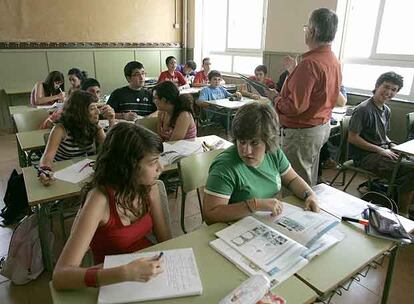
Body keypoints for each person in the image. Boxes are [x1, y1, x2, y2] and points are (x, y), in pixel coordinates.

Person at [52, 123, 172, 290]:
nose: (162, 167)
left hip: (148, 274)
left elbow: (166, 242)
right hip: (113, 281)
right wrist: (124, 273)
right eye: (153, 162)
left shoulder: (149, 187)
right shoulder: (99, 200)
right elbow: (60, 276)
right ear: (128, 166)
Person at [203, 103, 320, 224]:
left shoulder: (274, 153)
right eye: (242, 142)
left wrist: (309, 194)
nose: (246, 151)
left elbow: (292, 179)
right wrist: (254, 205)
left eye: (254, 143)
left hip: (264, 222)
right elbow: (210, 215)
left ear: (268, 141)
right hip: (233, 228)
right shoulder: (224, 167)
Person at [268, 8, 342, 186]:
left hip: (302, 132)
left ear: (313, 31)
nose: (305, 31)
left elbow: (294, 108)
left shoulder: (309, 63)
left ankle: (299, 213)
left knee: (295, 182)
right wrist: (295, 71)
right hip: (320, 127)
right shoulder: (333, 59)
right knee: (308, 174)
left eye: (306, 27)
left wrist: (275, 97)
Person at [348, 72, 414, 217]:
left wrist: (390, 143)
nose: (389, 92)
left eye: (393, 90)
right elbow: (352, 138)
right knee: (411, 172)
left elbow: (382, 135)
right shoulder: (363, 109)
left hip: (381, 151)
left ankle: (398, 199)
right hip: (364, 157)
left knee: (411, 165)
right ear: (377, 86)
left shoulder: (386, 110)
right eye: (386, 87)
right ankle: (403, 212)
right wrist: (380, 150)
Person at [38, 90, 115, 186]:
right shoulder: (61, 129)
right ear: (79, 112)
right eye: (92, 109)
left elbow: (110, 147)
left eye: (97, 107)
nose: (98, 112)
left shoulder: (94, 125)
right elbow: (47, 157)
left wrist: (111, 120)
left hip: (82, 172)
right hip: (61, 173)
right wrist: (45, 170)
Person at [40, 78, 104, 129]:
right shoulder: (73, 108)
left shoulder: (99, 108)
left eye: (98, 92)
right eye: (91, 91)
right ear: (83, 93)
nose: (96, 96)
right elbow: (48, 123)